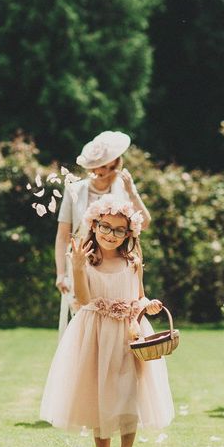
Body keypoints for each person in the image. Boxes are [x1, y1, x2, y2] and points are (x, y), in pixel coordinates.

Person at [41, 195, 173, 447]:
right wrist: (76, 266)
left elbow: (139, 296)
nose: (110, 235)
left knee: (129, 393)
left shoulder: (132, 261)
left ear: (129, 234)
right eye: (105, 227)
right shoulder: (86, 261)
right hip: (97, 334)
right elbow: (85, 300)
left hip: (129, 333)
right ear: (94, 224)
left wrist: (148, 305)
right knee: (101, 394)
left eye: (118, 230)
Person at [55, 131, 151, 336]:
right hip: (82, 263)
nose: (105, 171)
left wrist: (132, 192)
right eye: (101, 165)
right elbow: (63, 235)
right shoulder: (74, 189)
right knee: (84, 323)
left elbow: (145, 224)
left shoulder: (123, 189)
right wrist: (61, 273)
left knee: (118, 322)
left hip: (115, 265)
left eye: (111, 166)